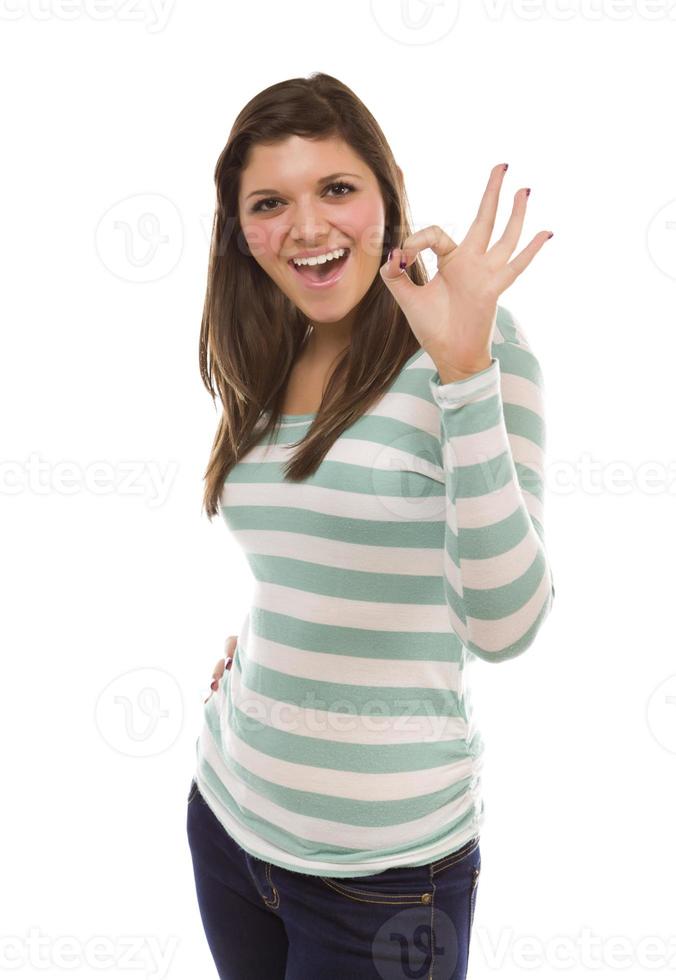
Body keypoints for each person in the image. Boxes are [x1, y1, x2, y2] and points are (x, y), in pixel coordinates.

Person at [186, 71, 555, 980]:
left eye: (337, 189)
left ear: (387, 195)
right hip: (232, 814)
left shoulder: (476, 342)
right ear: (240, 230)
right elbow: (306, 554)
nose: (307, 230)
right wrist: (278, 650)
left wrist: (465, 371)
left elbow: (507, 626)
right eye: (270, 203)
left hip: (387, 874)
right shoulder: (276, 340)